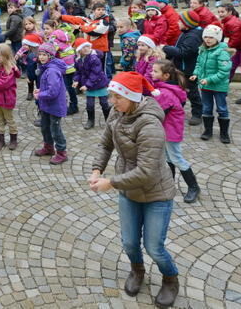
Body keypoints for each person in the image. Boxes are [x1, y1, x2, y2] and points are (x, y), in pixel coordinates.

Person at [90, 71, 179, 308]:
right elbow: (106, 143)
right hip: (129, 191)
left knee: (154, 248)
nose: (112, 102)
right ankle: (137, 271)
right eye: (111, 96)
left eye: (117, 97)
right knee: (129, 242)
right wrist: (97, 169)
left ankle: (170, 279)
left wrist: (111, 182)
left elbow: (147, 171)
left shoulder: (150, 124)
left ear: (132, 97)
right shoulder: (117, 112)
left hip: (156, 194)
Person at [151, 60, 200, 203]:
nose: (151, 73)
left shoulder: (165, 93)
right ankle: (169, 183)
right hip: (166, 130)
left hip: (171, 131)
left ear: (165, 76)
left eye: (155, 71)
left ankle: (194, 187)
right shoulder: (165, 88)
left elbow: (159, 113)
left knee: (176, 158)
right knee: (167, 158)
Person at [191, 25, 232, 143]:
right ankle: (207, 130)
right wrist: (196, 74)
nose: (208, 40)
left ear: (218, 39)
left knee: (222, 108)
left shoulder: (222, 52)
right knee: (207, 108)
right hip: (205, 85)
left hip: (219, 86)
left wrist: (209, 79)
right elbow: (199, 64)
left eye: (211, 37)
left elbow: (224, 71)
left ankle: (224, 133)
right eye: (206, 37)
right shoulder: (202, 49)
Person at [34, 43, 69, 164]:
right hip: (47, 105)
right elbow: (49, 87)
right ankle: (48, 147)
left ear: (51, 56)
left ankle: (61, 152)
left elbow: (53, 91)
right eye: (40, 54)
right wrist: (41, 91)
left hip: (55, 106)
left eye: (44, 55)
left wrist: (40, 95)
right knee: (45, 127)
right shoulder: (46, 67)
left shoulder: (52, 71)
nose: (41, 57)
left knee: (55, 130)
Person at [73, 39, 110, 130]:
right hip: (88, 85)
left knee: (104, 103)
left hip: (99, 83)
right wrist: (76, 80)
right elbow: (78, 72)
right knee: (89, 104)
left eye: (87, 46)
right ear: (79, 50)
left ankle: (108, 121)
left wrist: (87, 85)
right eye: (83, 47)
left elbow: (95, 73)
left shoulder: (94, 58)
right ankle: (90, 120)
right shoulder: (78, 60)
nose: (86, 49)